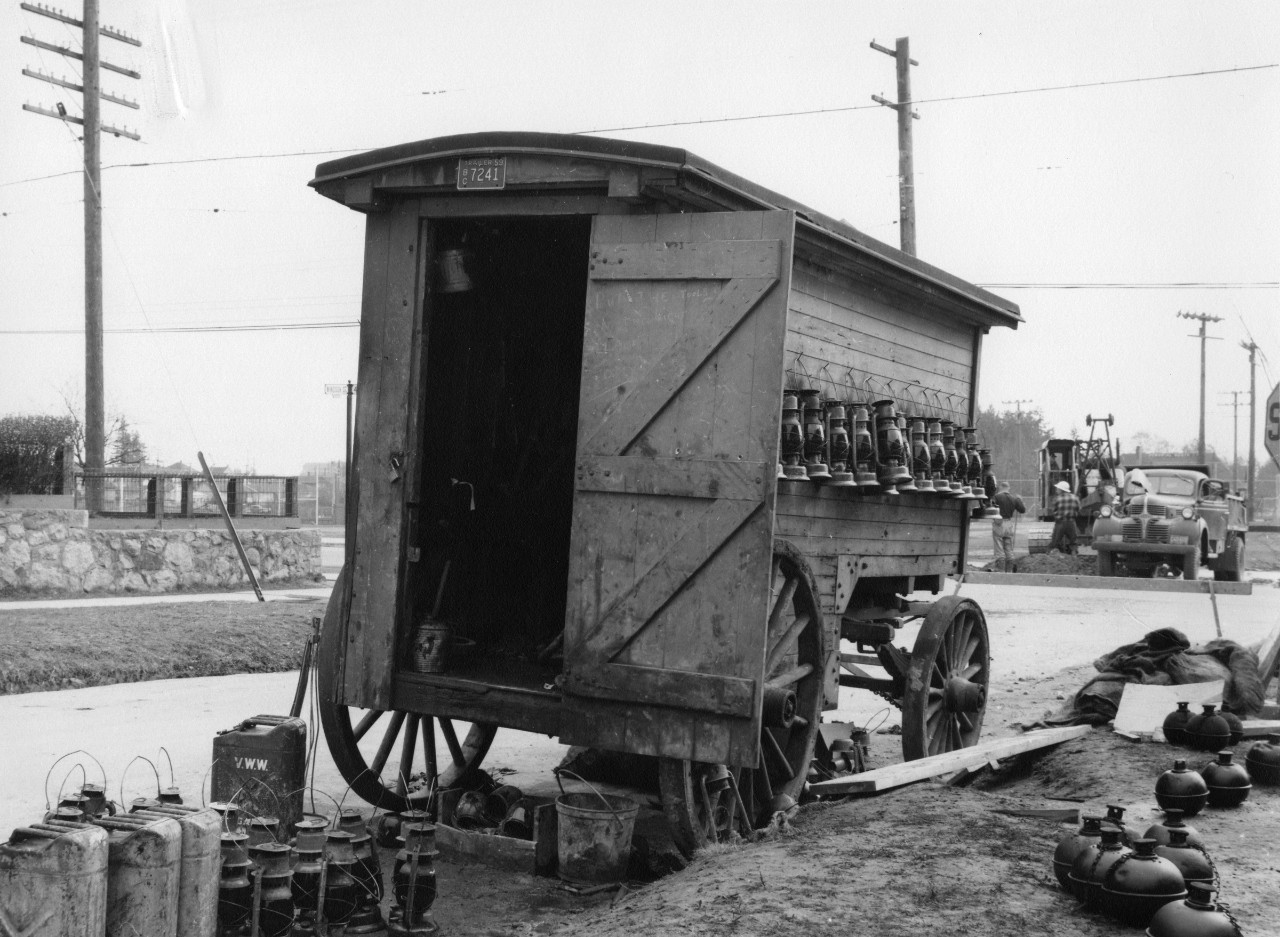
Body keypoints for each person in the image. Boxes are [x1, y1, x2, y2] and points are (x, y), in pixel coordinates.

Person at [990, 481, 1026, 572]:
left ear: (1001, 487)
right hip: (1009, 525)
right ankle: (1009, 571)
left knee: (999, 548)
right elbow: (1022, 510)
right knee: (1008, 548)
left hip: (999, 523)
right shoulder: (1014, 499)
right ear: (1008, 488)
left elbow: (990, 506)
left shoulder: (996, 497)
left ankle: (1000, 570)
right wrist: (1020, 501)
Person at [1049, 479, 1081, 554]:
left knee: (1055, 542)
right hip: (1071, 522)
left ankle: (1053, 556)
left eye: (1057, 489)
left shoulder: (1057, 499)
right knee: (1073, 542)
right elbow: (1078, 509)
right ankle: (1074, 555)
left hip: (1060, 523)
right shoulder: (1075, 498)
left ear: (1061, 490)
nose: (1056, 490)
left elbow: (1054, 511)